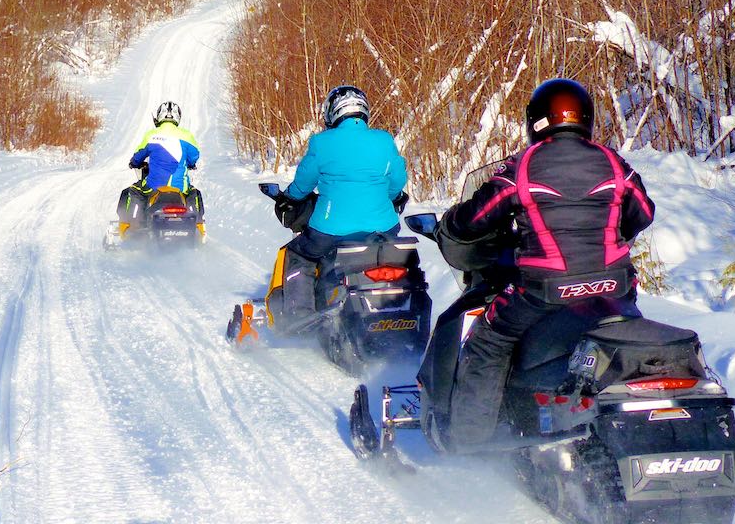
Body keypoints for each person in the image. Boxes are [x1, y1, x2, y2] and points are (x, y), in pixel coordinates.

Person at [441, 78, 655, 450]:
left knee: (489, 339)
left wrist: (451, 222)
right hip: (613, 287)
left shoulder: (523, 166)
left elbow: (476, 218)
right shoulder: (612, 161)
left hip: (546, 289)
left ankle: (468, 442)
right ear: (585, 118)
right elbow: (644, 212)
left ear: (536, 122)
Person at [272, 84, 408, 330]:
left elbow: (303, 185)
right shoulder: (384, 140)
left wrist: (288, 198)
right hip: (383, 229)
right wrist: (387, 195)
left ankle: (299, 317)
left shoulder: (321, 143)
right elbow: (397, 184)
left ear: (332, 112)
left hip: (331, 230)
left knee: (299, 254)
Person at [119, 101, 202, 228]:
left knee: (133, 191)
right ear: (178, 117)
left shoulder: (152, 135)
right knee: (194, 192)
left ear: (159, 116)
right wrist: (190, 163)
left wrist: (134, 162)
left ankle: (131, 225)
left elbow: (138, 156)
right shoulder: (187, 136)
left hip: (154, 186)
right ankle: (198, 225)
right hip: (180, 188)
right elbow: (194, 156)